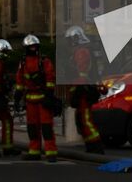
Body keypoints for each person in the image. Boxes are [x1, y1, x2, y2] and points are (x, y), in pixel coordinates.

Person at [15, 33, 59, 162]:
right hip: (30, 100)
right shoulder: (23, 63)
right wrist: (17, 97)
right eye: (31, 46)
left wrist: (49, 95)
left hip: (43, 98)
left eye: (35, 46)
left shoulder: (44, 61)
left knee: (46, 127)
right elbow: (20, 80)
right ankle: (34, 151)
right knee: (32, 127)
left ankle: (51, 152)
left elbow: (50, 78)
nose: (33, 48)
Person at [65, 25, 105, 154]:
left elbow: (81, 74)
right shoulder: (82, 50)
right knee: (82, 120)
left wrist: (75, 91)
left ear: (76, 38)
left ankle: (96, 146)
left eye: (70, 40)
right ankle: (91, 145)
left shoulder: (81, 52)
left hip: (83, 91)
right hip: (84, 90)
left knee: (86, 120)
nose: (69, 44)